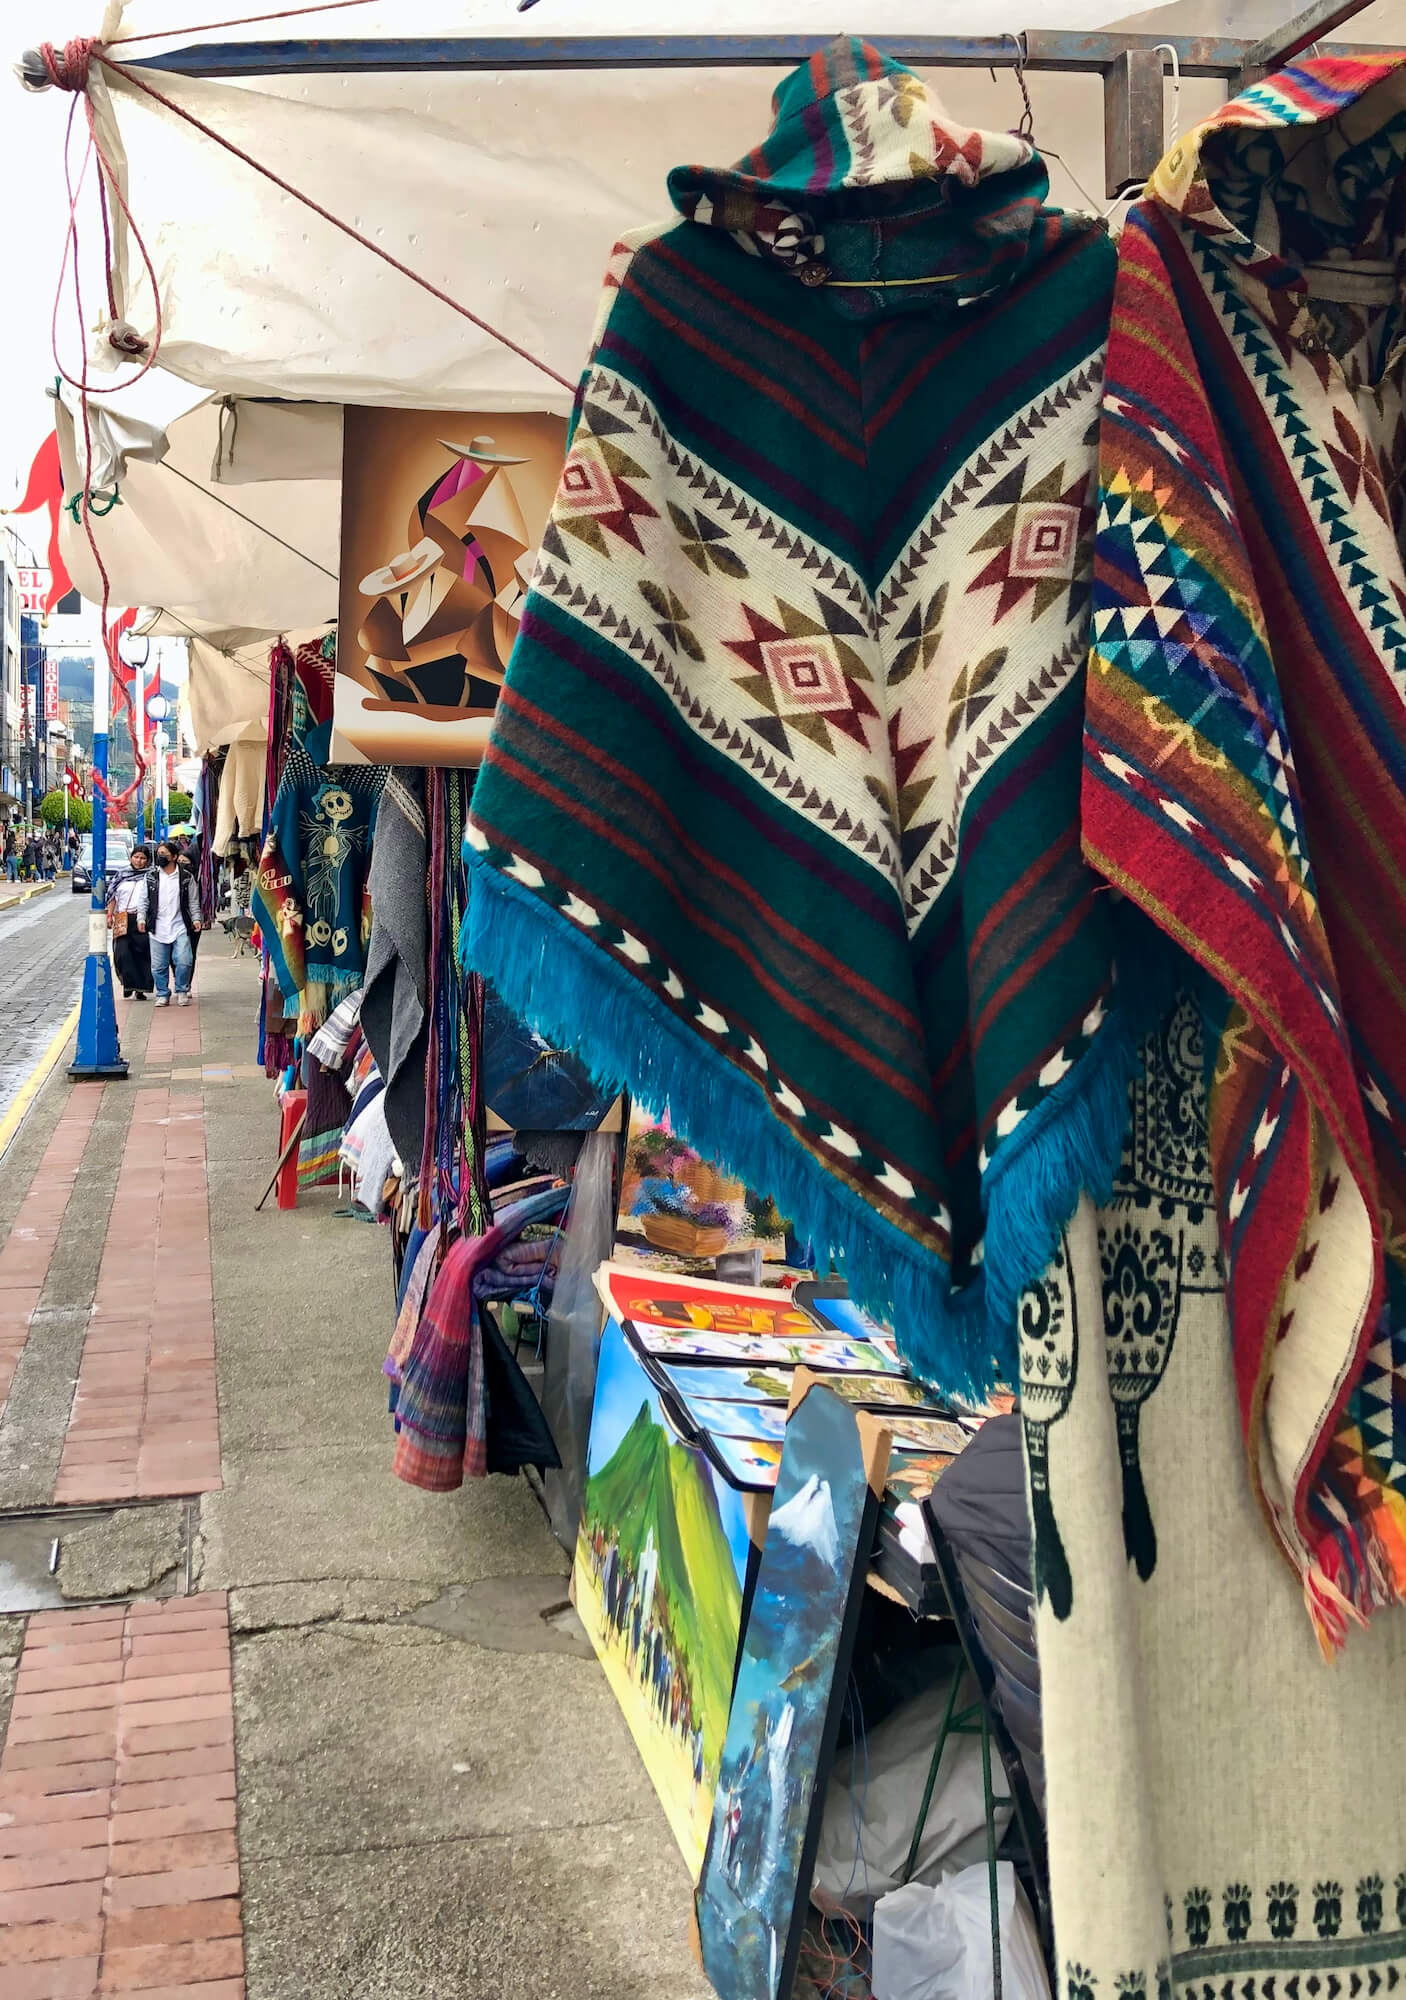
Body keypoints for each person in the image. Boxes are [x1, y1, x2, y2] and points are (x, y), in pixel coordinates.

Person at [145, 840, 202, 1007]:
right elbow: (144, 900)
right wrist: (142, 918)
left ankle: (182, 990)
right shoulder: (150, 877)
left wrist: (196, 918)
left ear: (174, 857)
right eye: (159, 854)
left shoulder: (186, 877)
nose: (160, 857)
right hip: (157, 927)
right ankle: (162, 993)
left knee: (184, 960)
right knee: (158, 965)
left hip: (180, 925)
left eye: (164, 854)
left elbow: (193, 901)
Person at [109, 844, 153, 1000]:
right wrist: (109, 915)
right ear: (130, 858)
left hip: (141, 919)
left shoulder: (150, 876)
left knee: (142, 954)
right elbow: (112, 896)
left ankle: (139, 989)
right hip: (122, 918)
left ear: (147, 861)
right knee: (122, 954)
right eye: (136, 857)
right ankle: (127, 983)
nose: (139, 861)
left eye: (143, 858)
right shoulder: (121, 875)